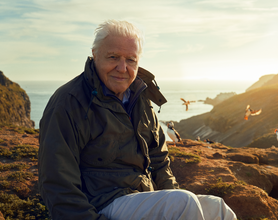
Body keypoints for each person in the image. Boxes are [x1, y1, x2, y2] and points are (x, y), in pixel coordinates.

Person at [38, 19, 237, 220]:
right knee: (182, 203)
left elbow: (159, 159)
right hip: (101, 204)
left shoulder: (140, 98)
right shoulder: (69, 102)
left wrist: (171, 194)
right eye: (113, 57)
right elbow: (57, 181)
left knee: (217, 209)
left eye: (131, 60)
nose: (122, 67)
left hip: (141, 196)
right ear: (95, 54)